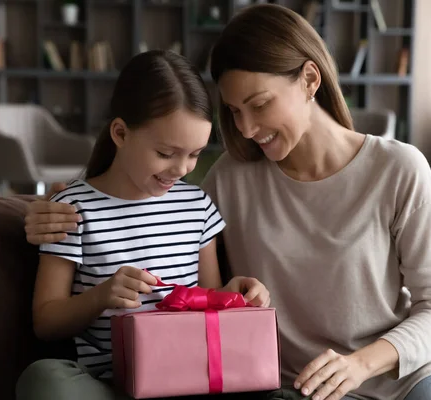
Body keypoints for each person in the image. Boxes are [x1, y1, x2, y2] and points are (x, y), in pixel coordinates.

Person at [23, 4, 431, 400]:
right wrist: (45, 208)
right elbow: (140, 186)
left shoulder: (399, 169)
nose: (245, 128)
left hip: (406, 380)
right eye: (234, 112)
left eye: (259, 104)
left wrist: (360, 364)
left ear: (309, 79)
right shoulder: (229, 181)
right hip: (295, 388)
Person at [15, 49, 271, 400]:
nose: (182, 169)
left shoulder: (196, 206)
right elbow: (46, 322)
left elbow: (207, 303)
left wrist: (233, 296)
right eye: (166, 154)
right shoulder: (72, 209)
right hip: (108, 383)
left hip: (186, 378)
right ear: (120, 133)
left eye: (194, 154)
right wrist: (101, 297)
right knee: (44, 379)